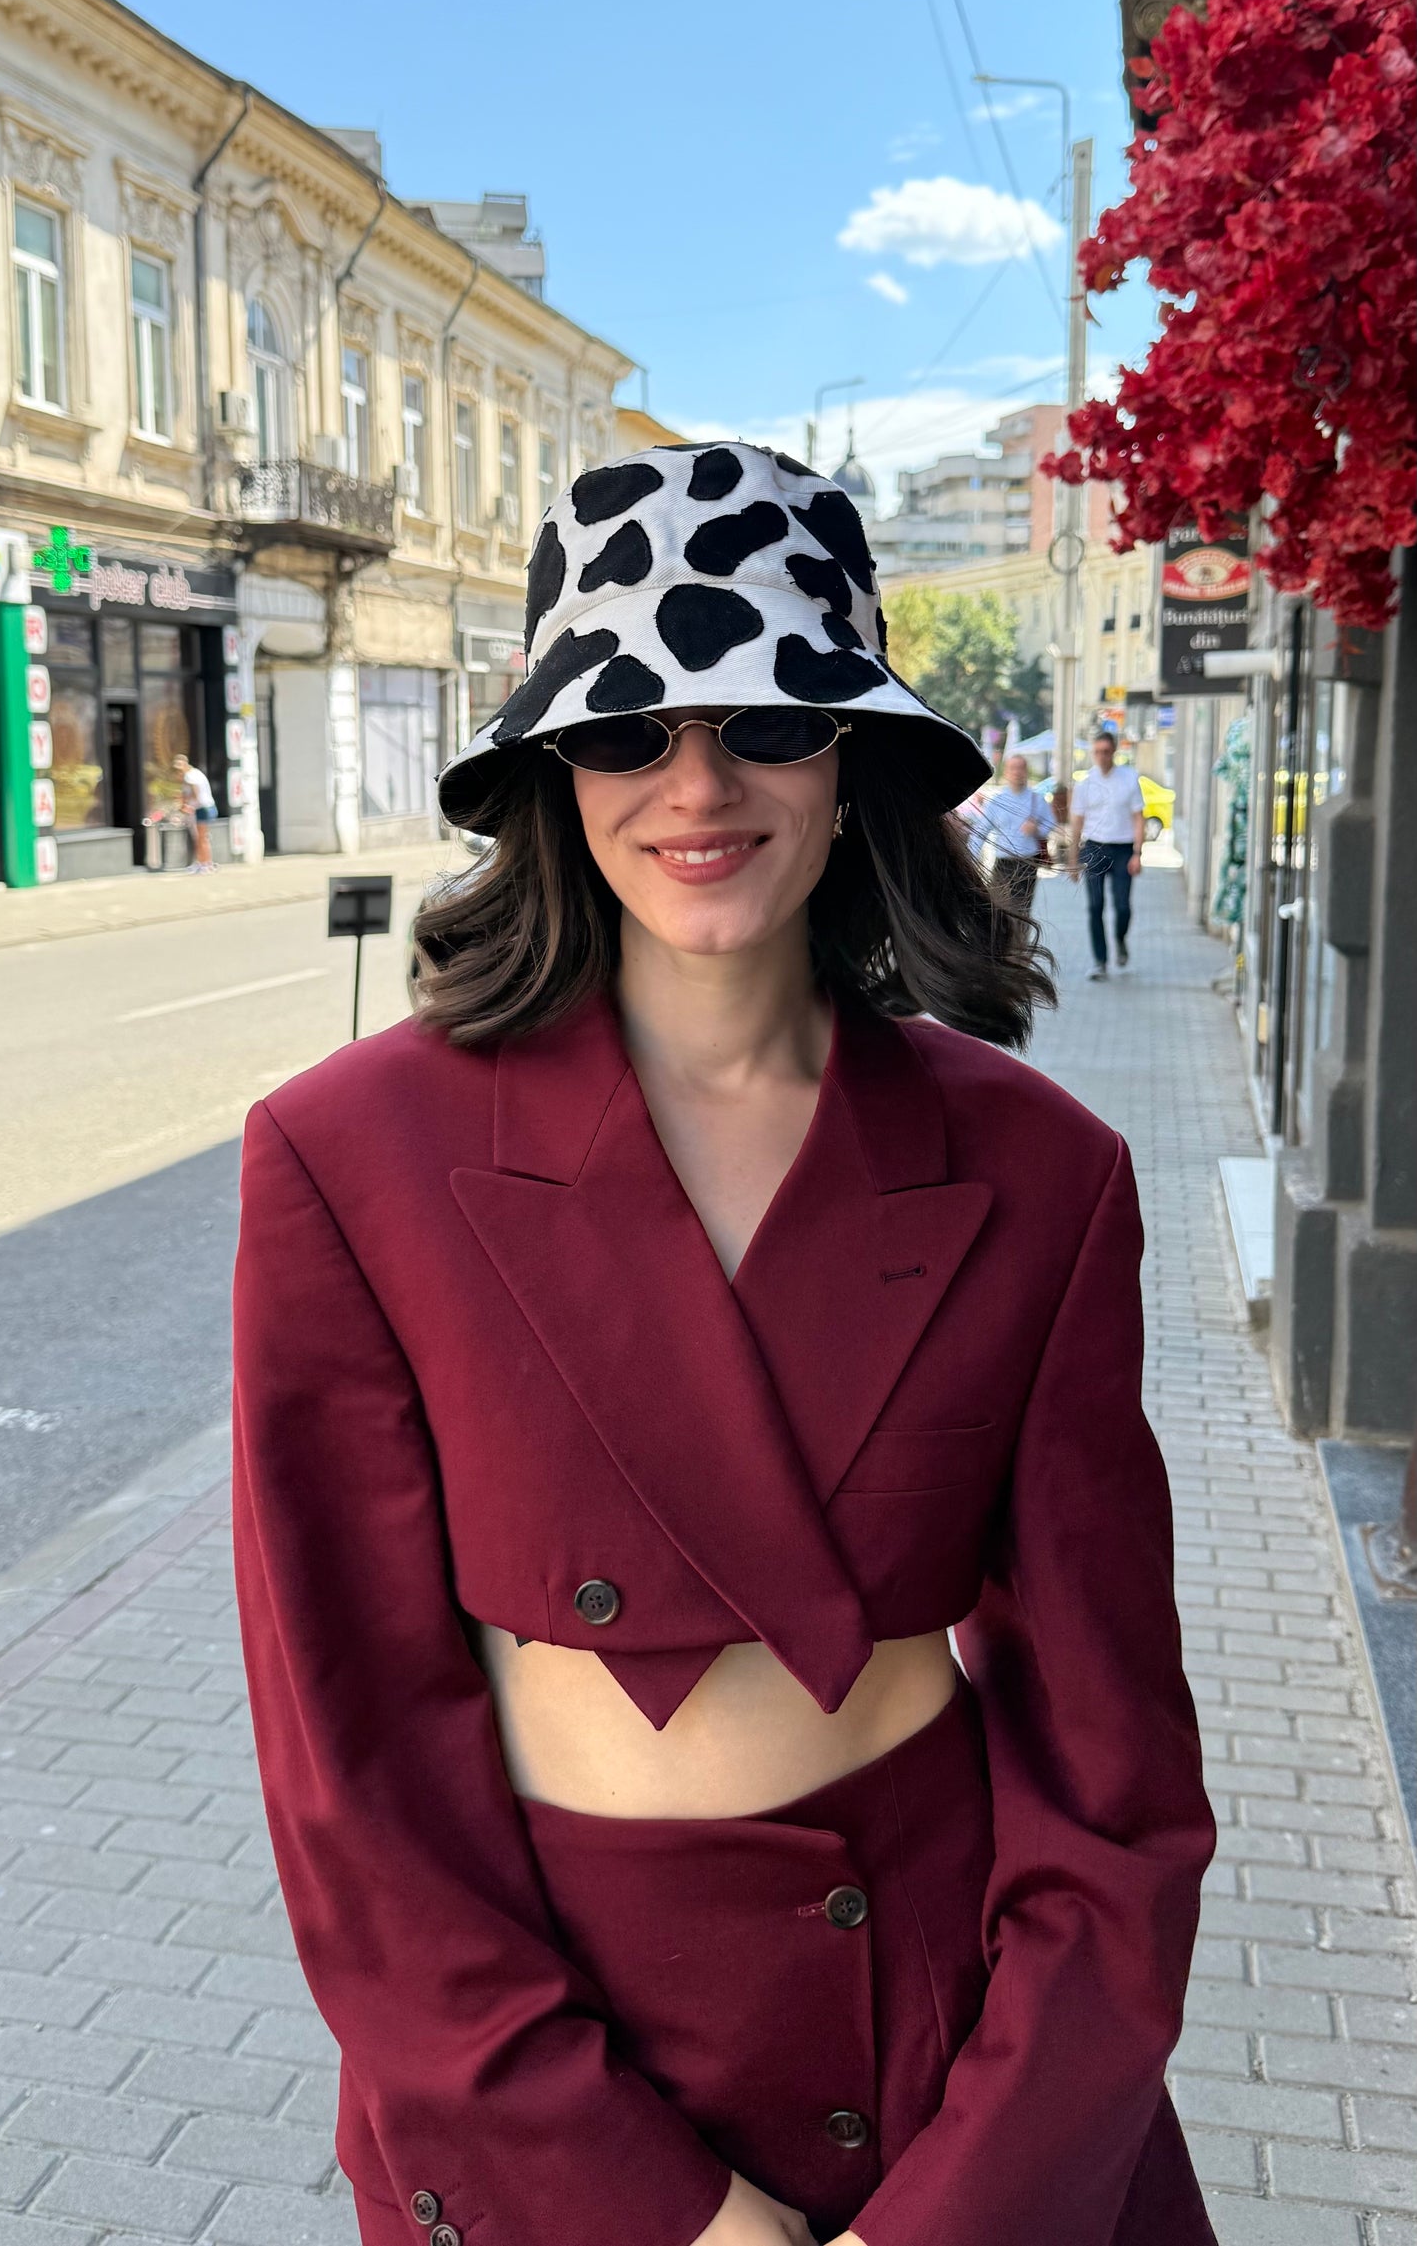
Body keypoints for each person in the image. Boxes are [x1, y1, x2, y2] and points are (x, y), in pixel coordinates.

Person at [232, 442, 1216, 2246]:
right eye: (627, 727)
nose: (697, 781)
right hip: (549, 2062)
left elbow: (1117, 1778)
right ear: (550, 767)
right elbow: (353, 1768)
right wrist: (660, 2203)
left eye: (772, 715)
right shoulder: (348, 1157)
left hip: (945, 2040)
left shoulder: (1040, 1168)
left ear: (854, 758)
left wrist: (975, 2196)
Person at [1068, 729, 1146, 979]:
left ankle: (1120, 939)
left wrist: (1137, 853)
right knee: (1095, 906)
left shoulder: (1129, 778)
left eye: (1106, 752)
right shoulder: (1085, 783)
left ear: (1114, 752)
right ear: (1093, 753)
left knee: (1122, 906)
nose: (1101, 757)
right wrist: (1072, 860)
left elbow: (1138, 818)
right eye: (1097, 752)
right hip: (1094, 849)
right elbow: (1077, 823)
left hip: (1123, 849)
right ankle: (1100, 961)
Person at [966, 750, 1050, 910]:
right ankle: (1005, 935)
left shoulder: (1037, 800)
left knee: (1021, 911)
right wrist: (970, 861)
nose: (1017, 772)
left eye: (1021, 768)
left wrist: (1037, 829)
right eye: (1013, 768)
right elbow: (980, 832)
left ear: (1026, 771)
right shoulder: (998, 801)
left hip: (1027, 862)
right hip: (1003, 863)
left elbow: (1050, 826)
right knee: (999, 909)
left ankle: (1020, 935)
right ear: (1006, 772)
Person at [173, 753, 217, 873]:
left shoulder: (189, 776)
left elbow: (195, 794)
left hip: (202, 808)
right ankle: (203, 863)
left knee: (201, 838)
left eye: (179, 767)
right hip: (206, 807)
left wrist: (187, 805)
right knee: (202, 838)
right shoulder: (195, 773)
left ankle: (205, 864)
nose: (178, 771)